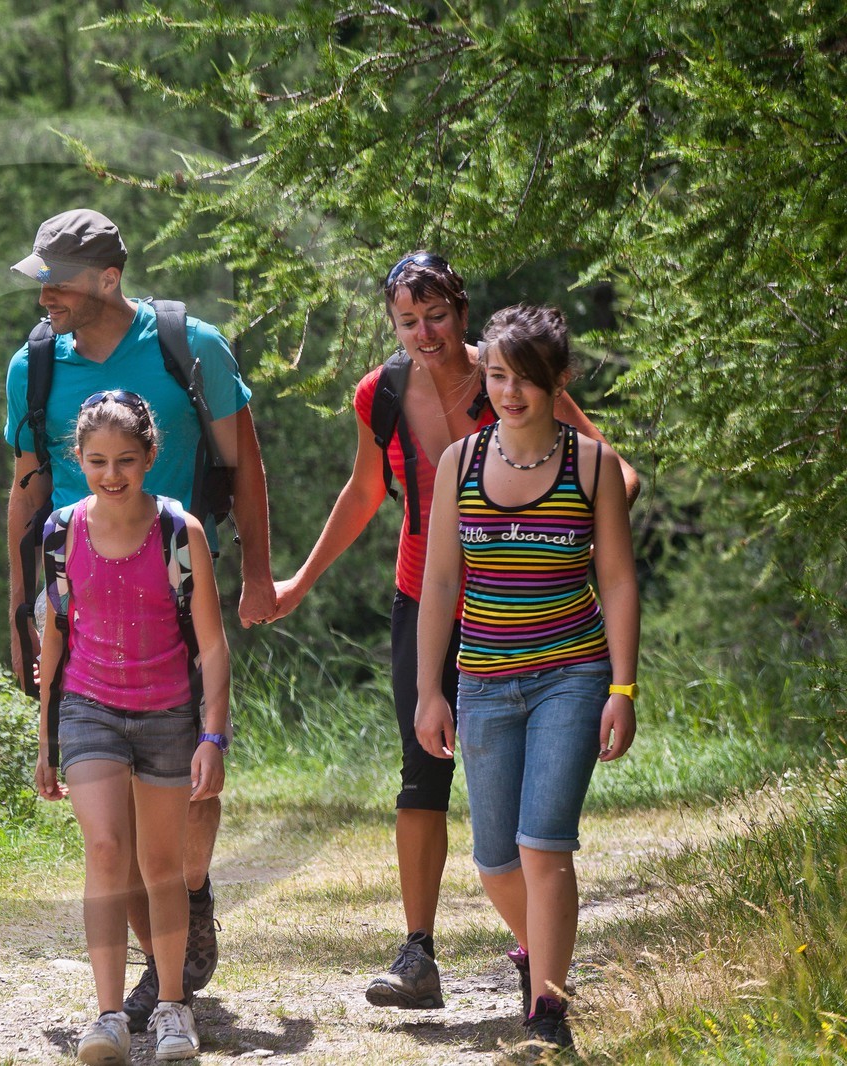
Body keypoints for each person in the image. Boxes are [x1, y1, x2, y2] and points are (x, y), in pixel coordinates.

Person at [269, 253, 640, 1009]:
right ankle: (419, 954)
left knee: (528, 834)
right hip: (429, 594)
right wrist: (300, 580)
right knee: (422, 763)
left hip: (528, 606)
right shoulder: (380, 394)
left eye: (436, 316)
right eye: (408, 321)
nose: (424, 333)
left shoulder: (513, 371)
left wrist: (561, 545)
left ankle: (543, 968)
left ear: (462, 313)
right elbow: (367, 488)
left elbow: (613, 473)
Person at [5, 208, 273, 1023]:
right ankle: (157, 975)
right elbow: (24, 489)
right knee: (110, 820)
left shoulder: (189, 348)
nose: (44, 292)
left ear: (107, 281)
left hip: (178, 594)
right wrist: (19, 611)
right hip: (82, 603)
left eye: (58, 279)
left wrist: (259, 572)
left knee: (186, 774)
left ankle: (188, 890)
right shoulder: (34, 367)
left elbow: (244, 462)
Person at [414, 304, 639, 1053]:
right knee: (493, 861)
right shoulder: (461, 464)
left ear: (559, 382)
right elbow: (441, 583)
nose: (510, 394)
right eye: (499, 376)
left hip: (571, 677)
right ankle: (541, 955)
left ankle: (548, 1013)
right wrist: (429, 690)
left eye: (528, 380)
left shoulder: (592, 464)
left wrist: (623, 688)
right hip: (482, 681)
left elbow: (617, 579)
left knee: (544, 845)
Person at [34, 391, 230, 1065]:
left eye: (124, 459)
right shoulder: (60, 533)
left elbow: (212, 645)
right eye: (96, 461)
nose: (111, 473)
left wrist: (214, 736)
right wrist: (44, 744)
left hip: (169, 712)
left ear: (150, 456)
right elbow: (53, 642)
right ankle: (108, 1016)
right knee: (106, 853)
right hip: (89, 708)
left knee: (159, 866)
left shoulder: (182, 533)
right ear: (78, 461)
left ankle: (174, 1007)